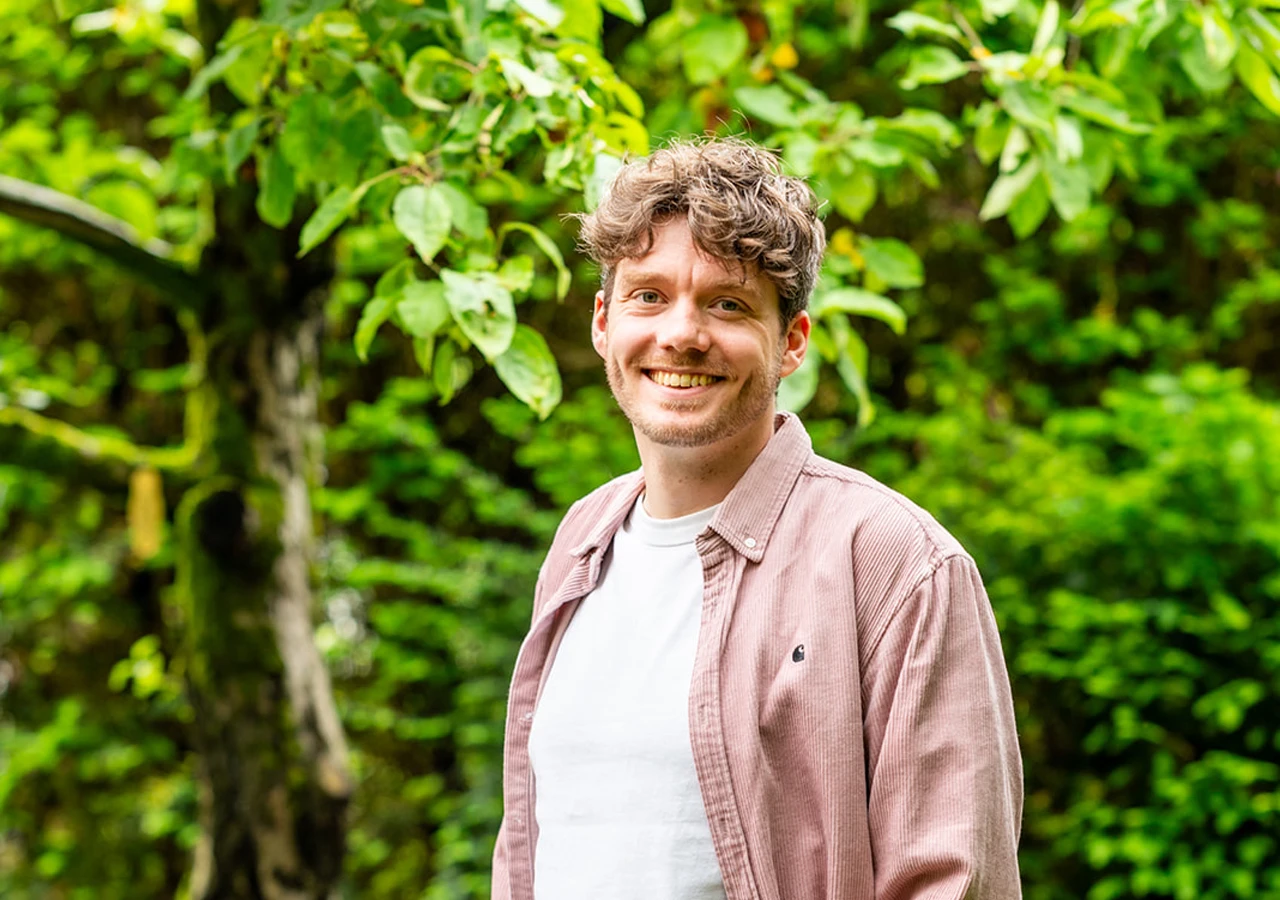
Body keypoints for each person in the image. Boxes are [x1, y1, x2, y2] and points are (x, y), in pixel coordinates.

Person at [491, 138, 1023, 900]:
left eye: (728, 303)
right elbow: (533, 847)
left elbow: (952, 882)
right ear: (604, 322)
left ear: (792, 343)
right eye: (650, 295)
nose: (681, 333)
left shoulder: (896, 563)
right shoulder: (584, 539)